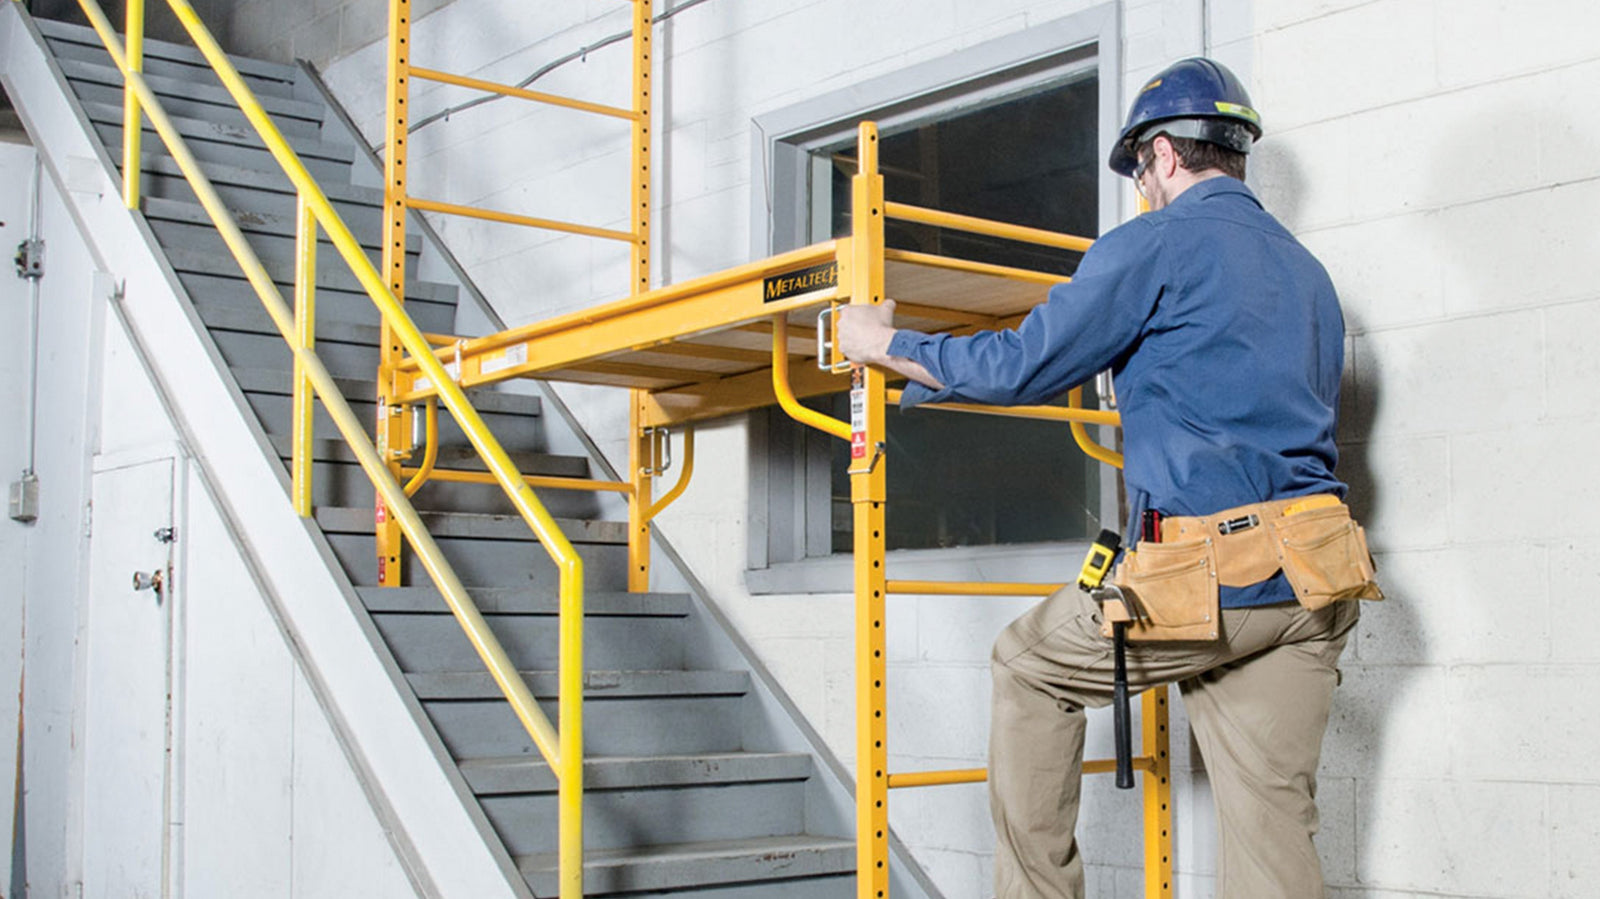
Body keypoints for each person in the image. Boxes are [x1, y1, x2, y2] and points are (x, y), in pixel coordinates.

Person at [837, 57, 1374, 898]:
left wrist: (885, 346)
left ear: (1162, 154)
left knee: (1026, 665)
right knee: (1272, 828)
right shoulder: (1307, 272)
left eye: (1141, 176)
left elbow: (1019, 364)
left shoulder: (1155, 243)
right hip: (1314, 581)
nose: (1143, 194)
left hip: (1205, 580)